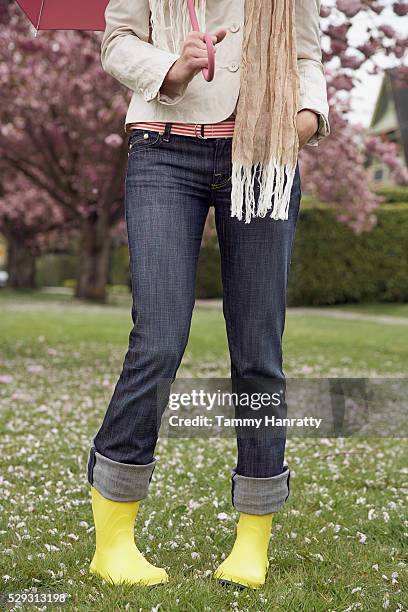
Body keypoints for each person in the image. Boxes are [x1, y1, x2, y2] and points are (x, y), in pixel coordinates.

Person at [86, 0, 330, 590]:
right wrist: (174, 65)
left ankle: (253, 539)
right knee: (158, 341)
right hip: (164, 151)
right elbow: (116, 43)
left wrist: (300, 119)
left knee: (257, 353)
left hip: (261, 158)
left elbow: (306, 58)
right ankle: (113, 540)